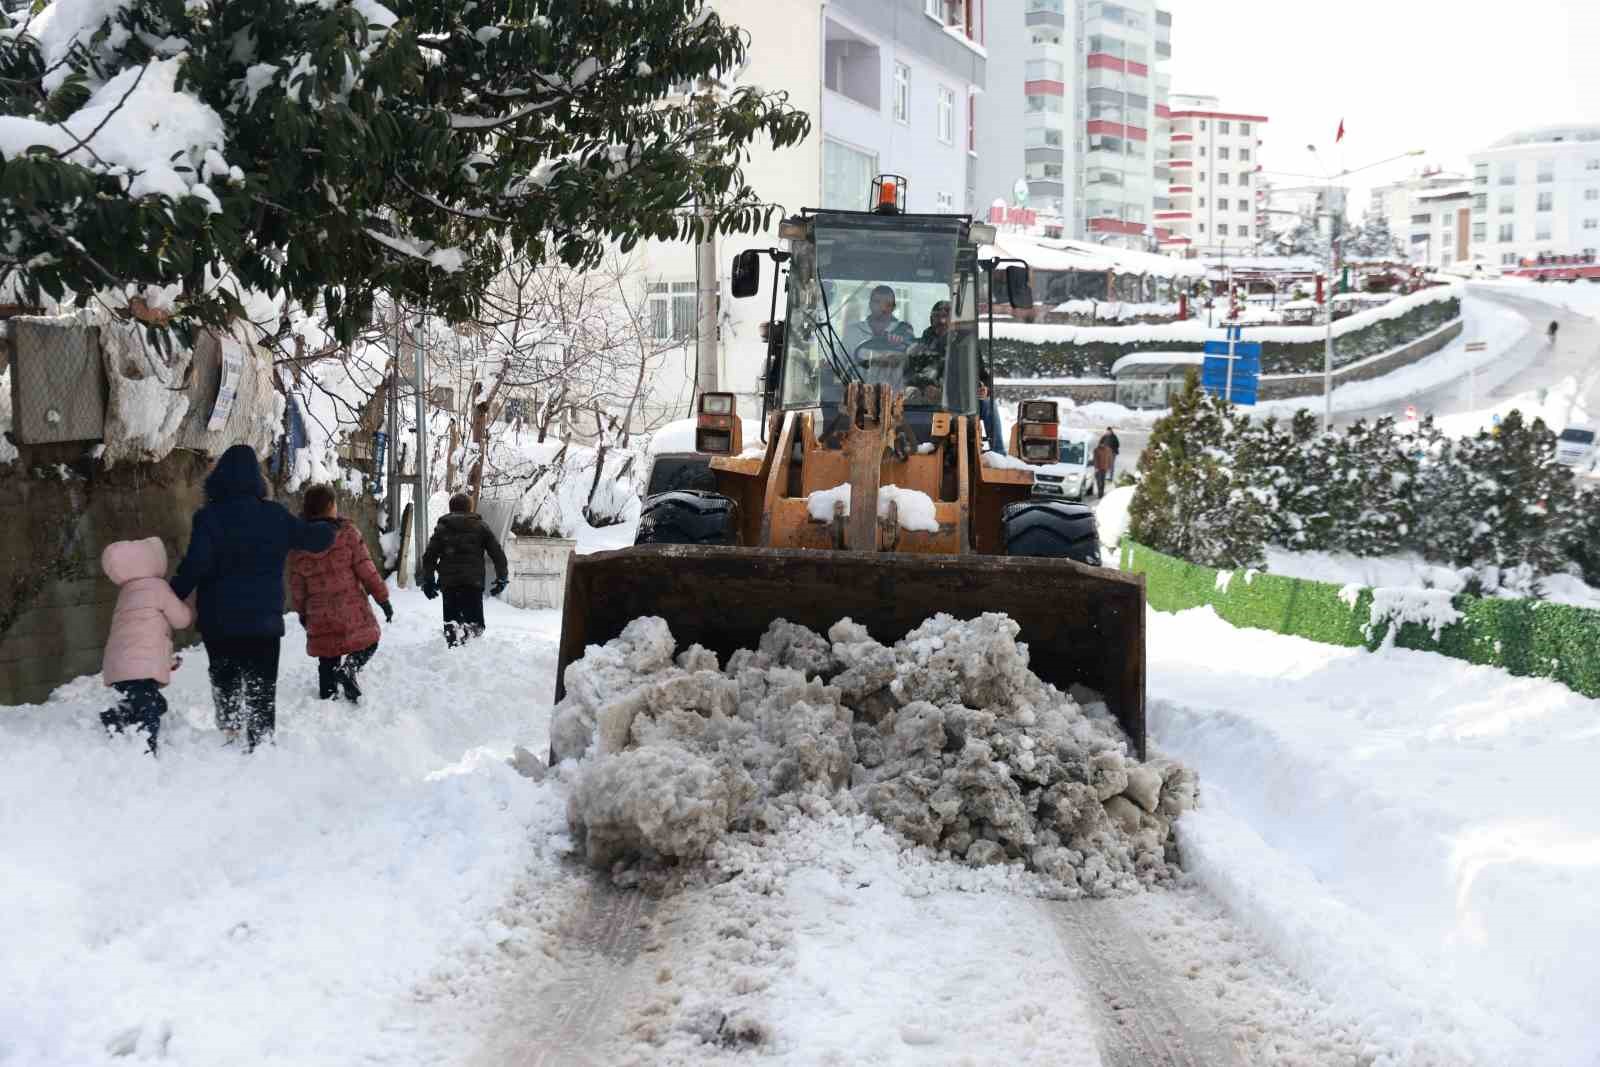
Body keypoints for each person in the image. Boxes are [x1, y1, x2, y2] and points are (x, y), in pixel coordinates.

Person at [170, 444, 336, 750]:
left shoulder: (208, 518)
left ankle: (230, 732)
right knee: (261, 686)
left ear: (218, 478)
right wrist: (329, 526)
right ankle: (260, 745)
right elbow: (314, 540)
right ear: (256, 478)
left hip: (219, 623)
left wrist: (170, 597)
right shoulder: (274, 515)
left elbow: (195, 565)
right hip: (263, 624)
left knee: (225, 678)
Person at [289, 485, 392, 702]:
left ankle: (327, 698)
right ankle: (350, 668)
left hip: (319, 613)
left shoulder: (299, 542)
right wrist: (382, 599)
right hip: (350, 608)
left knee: (327, 655)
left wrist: (301, 612)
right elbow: (367, 569)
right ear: (329, 507)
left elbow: (297, 583)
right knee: (371, 640)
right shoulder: (347, 534)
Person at [99, 537, 193, 754]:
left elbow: (142, 636)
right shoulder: (157, 588)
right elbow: (181, 620)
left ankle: (118, 716)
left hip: (121, 665)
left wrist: (168, 661)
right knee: (148, 712)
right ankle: (146, 751)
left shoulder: (127, 592)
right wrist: (188, 605)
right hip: (138, 667)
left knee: (155, 704)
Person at [418, 493, 509, 647]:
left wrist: (428, 580)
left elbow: (429, 556)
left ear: (451, 508)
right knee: (474, 625)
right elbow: (497, 553)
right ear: (470, 508)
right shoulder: (481, 527)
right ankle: (472, 656)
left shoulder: (443, 528)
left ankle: (454, 655)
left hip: (450, 584)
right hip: (472, 583)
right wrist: (502, 577)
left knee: (452, 626)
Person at [842, 285, 915, 387]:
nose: (882, 308)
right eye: (877, 302)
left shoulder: (904, 332)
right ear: (870, 304)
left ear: (894, 307)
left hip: (895, 399)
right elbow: (839, 365)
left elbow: (912, 365)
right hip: (858, 397)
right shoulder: (852, 333)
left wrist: (900, 349)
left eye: (887, 304)